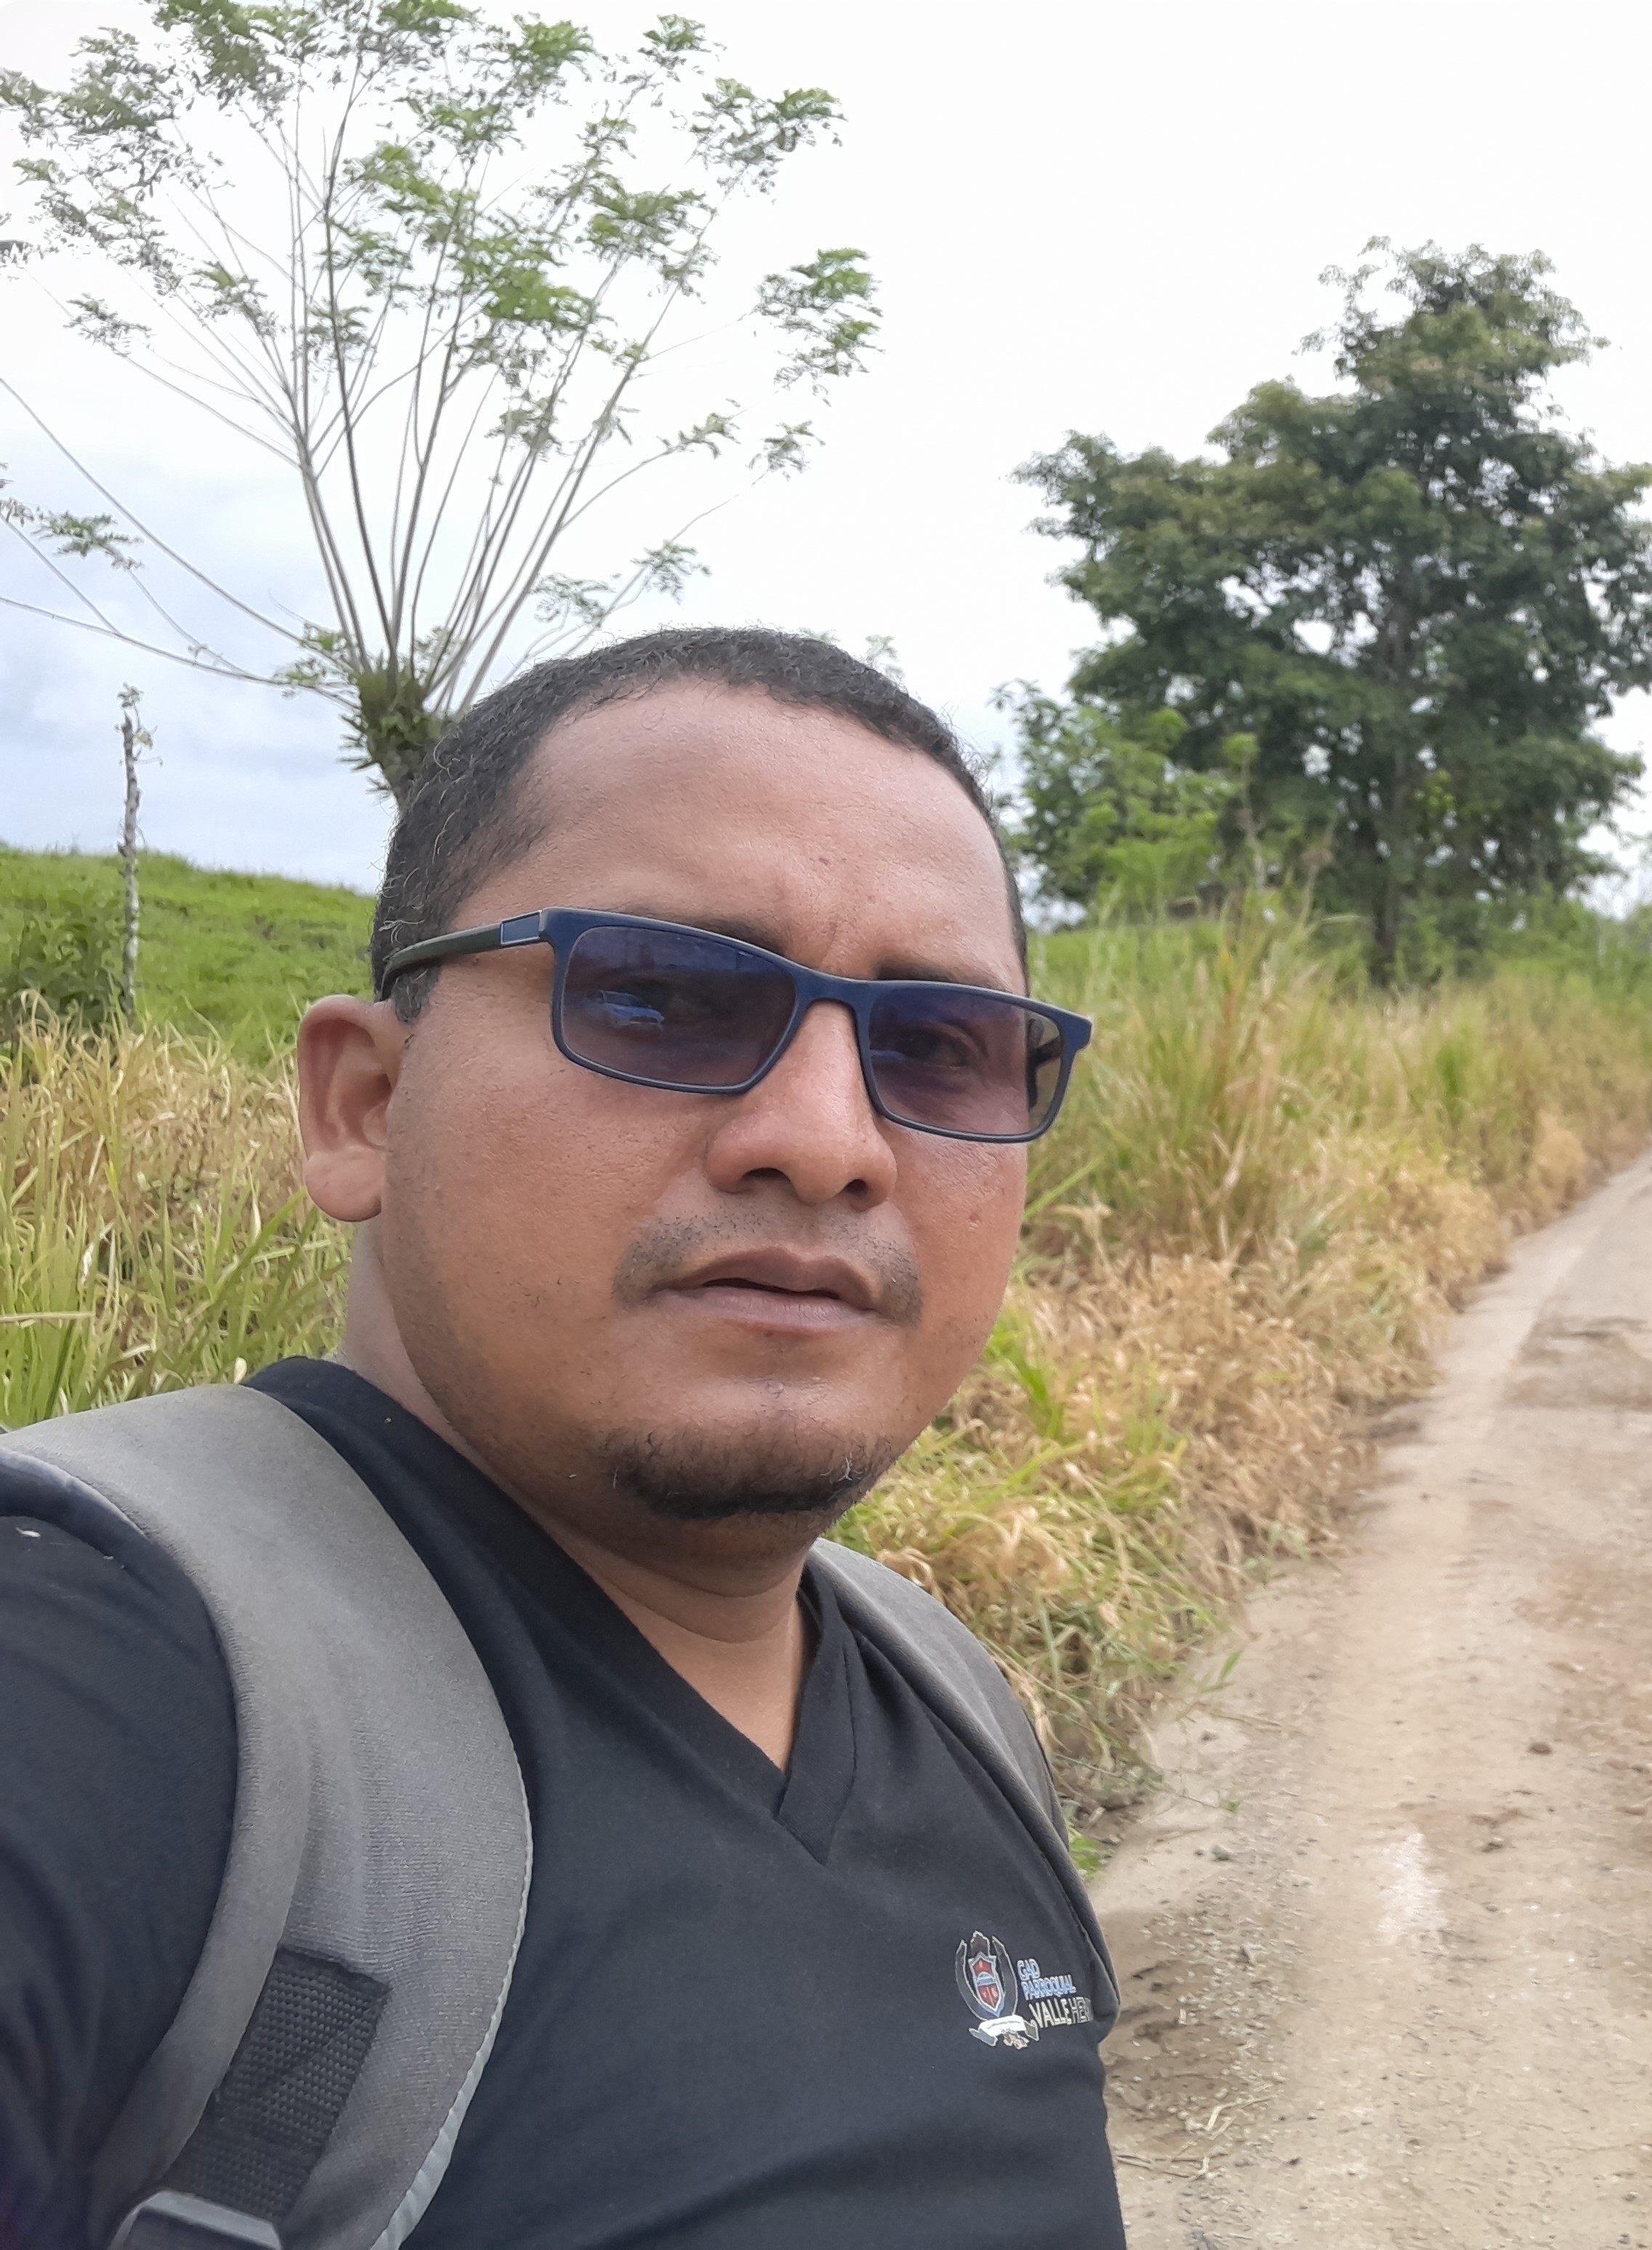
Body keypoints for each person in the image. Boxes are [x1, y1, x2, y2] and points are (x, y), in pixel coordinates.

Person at [0, 629, 1126, 2248]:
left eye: (939, 1047)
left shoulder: (952, 1701)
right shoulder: (101, 1670)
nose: (828, 1143)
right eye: (662, 997)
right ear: (363, 1105)